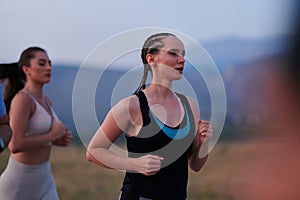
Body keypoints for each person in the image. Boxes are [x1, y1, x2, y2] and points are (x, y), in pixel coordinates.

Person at [86, 33, 213, 200]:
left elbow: (195, 165)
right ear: (151, 59)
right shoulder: (132, 106)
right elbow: (93, 151)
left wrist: (204, 143)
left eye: (183, 55)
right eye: (173, 53)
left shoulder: (190, 106)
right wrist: (135, 164)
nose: (181, 60)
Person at [0, 47, 72, 199]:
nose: (48, 67)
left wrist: (58, 140)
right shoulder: (23, 100)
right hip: (18, 184)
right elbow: (15, 145)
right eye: (41, 63)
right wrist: (52, 135)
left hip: (44, 179)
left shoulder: (46, 101)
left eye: (49, 63)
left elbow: (40, 138)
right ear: (27, 69)